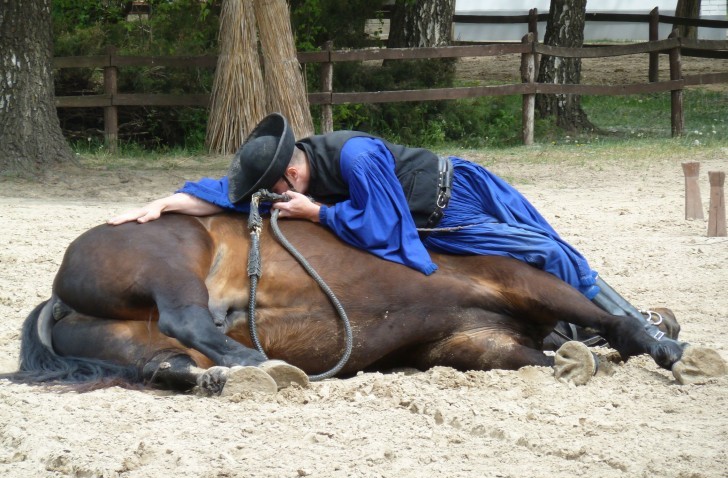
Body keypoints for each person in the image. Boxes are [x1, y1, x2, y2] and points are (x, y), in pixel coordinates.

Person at [109, 112, 667, 342]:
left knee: (546, 253)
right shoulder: (292, 177)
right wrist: (165, 202)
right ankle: (580, 324)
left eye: (280, 190)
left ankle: (628, 320)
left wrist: (321, 215)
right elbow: (222, 193)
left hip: (453, 202)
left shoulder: (355, 158)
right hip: (425, 215)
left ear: (291, 172)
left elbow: (384, 223)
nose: (280, 200)